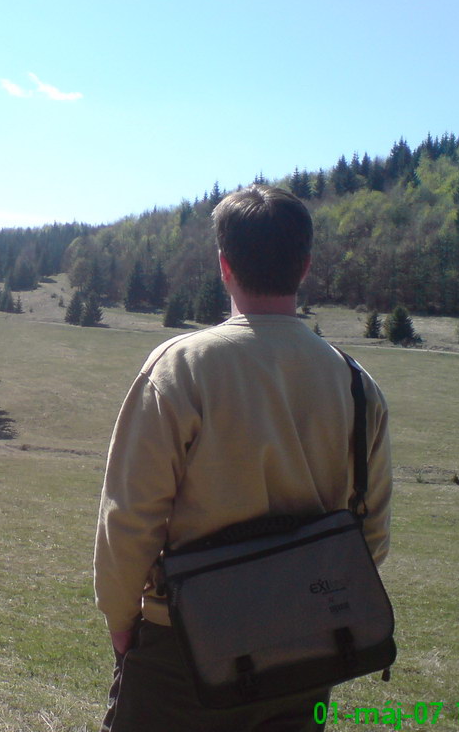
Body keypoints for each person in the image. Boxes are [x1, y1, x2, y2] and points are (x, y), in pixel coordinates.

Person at [94, 185, 392, 732]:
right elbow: (370, 533)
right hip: (305, 647)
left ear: (224, 266)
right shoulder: (356, 385)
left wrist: (121, 622)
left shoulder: (179, 368)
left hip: (182, 647)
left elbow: (129, 519)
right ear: (305, 267)